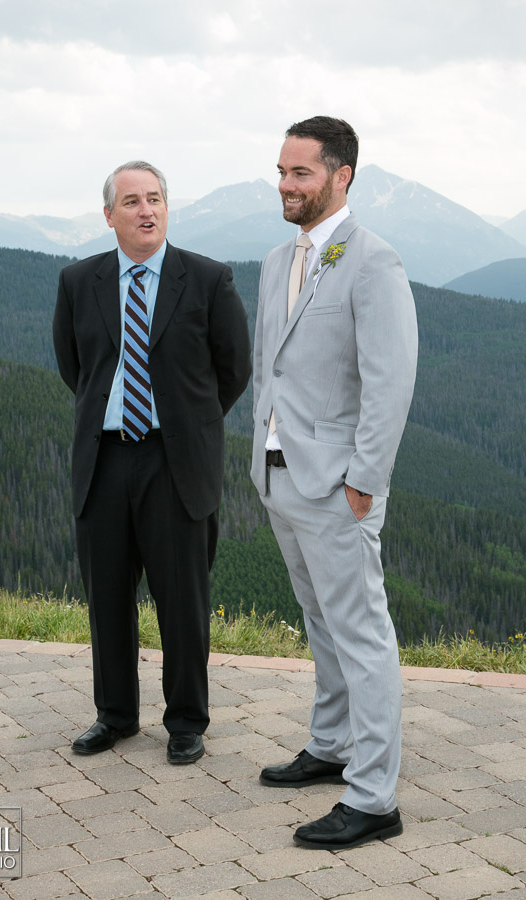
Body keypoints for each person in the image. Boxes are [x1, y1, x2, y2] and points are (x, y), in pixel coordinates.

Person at [251, 117, 418, 849]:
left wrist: (364, 483)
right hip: (281, 474)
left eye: (301, 174)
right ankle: (332, 744)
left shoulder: (372, 262)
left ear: (341, 175)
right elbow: (272, 369)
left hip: (339, 487)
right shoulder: (272, 261)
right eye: (282, 172)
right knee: (319, 621)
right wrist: (259, 456)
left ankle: (375, 795)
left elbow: (390, 382)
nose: (286, 186)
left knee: (363, 636)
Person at [53, 160, 251, 764]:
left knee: (182, 599)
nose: (147, 210)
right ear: (109, 215)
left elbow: (233, 368)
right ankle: (114, 716)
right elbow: (75, 368)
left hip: (175, 464)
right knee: (107, 596)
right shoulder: (77, 280)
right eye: (133, 201)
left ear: (168, 207)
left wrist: (186, 424)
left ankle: (187, 721)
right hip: (105, 462)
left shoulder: (208, 279)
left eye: (156, 199)